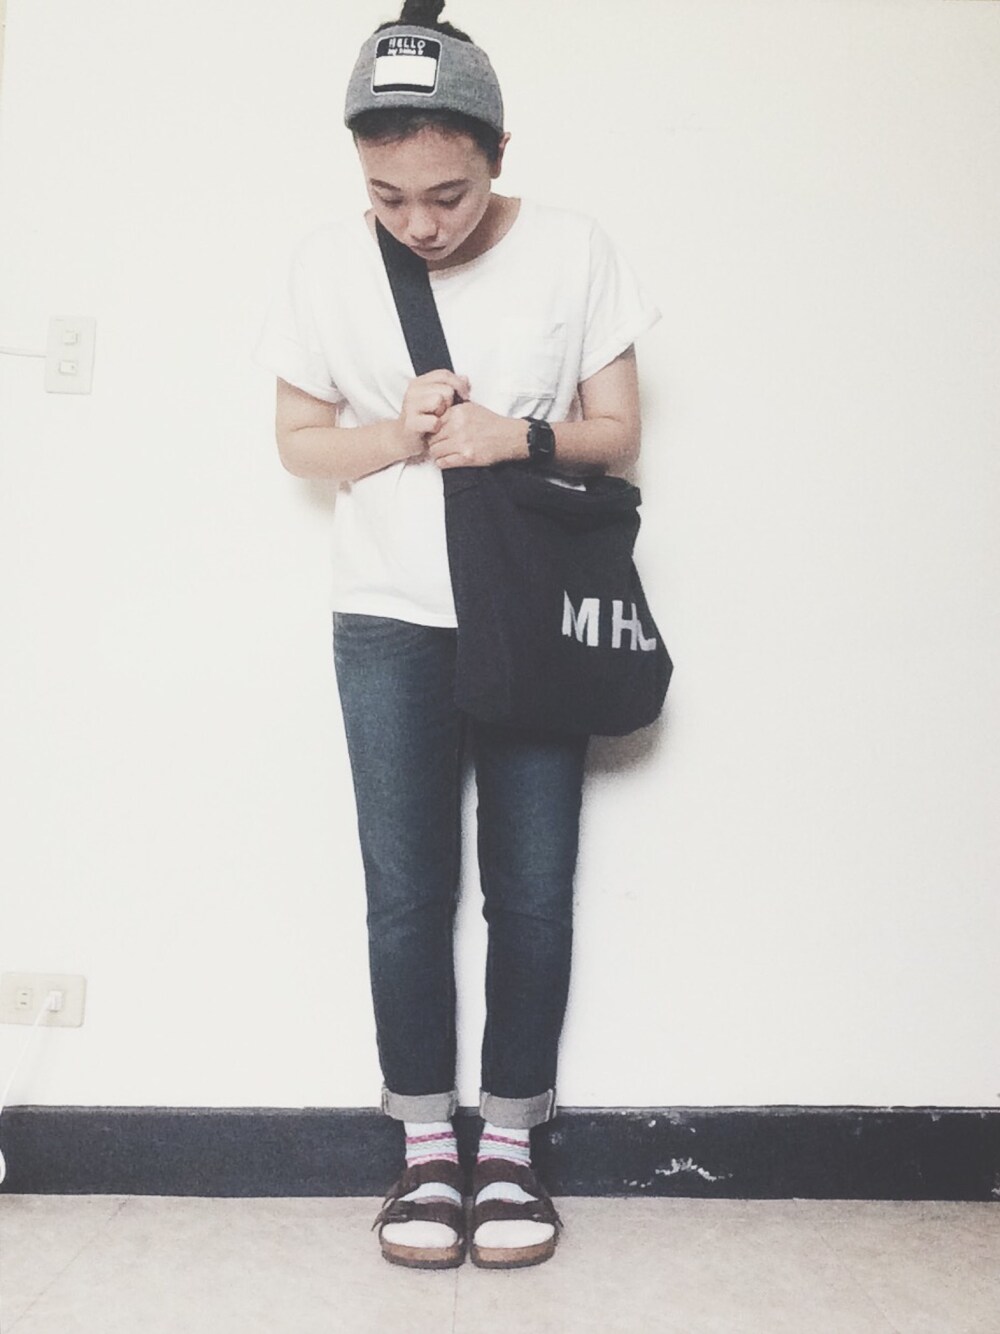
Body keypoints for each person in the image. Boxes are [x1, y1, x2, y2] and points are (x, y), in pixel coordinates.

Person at [256, 0, 660, 1270]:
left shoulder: (574, 248)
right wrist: (401, 431)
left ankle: (513, 1144)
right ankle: (426, 1144)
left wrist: (513, 435)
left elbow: (616, 431)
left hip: (527, 610)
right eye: (387, 196)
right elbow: (298, 442)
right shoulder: (326, 265)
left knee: (532, 891)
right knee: (406, 892)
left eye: (447, 192)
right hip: (387, 616)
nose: (419, 224)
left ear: (497, 152)